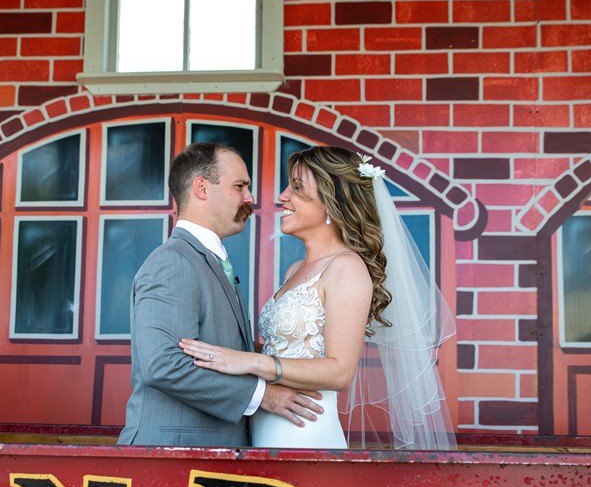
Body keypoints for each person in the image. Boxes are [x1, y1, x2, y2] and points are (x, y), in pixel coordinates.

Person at [180, 146, 456, 450]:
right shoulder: (295, 269)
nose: (283, 196)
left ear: (331, 203)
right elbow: (291, 348)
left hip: (305, 431)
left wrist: (250, 362)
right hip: (264, 425)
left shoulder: (346, 268)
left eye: (297, 188)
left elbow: (340, 371)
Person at [118, 142, 324, 447]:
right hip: (173, 456)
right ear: (202, 188)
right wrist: (263, 395)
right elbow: (163, 365)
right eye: (240, 186)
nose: (250, 198)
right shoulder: (172, 262)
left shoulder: (211, 260)